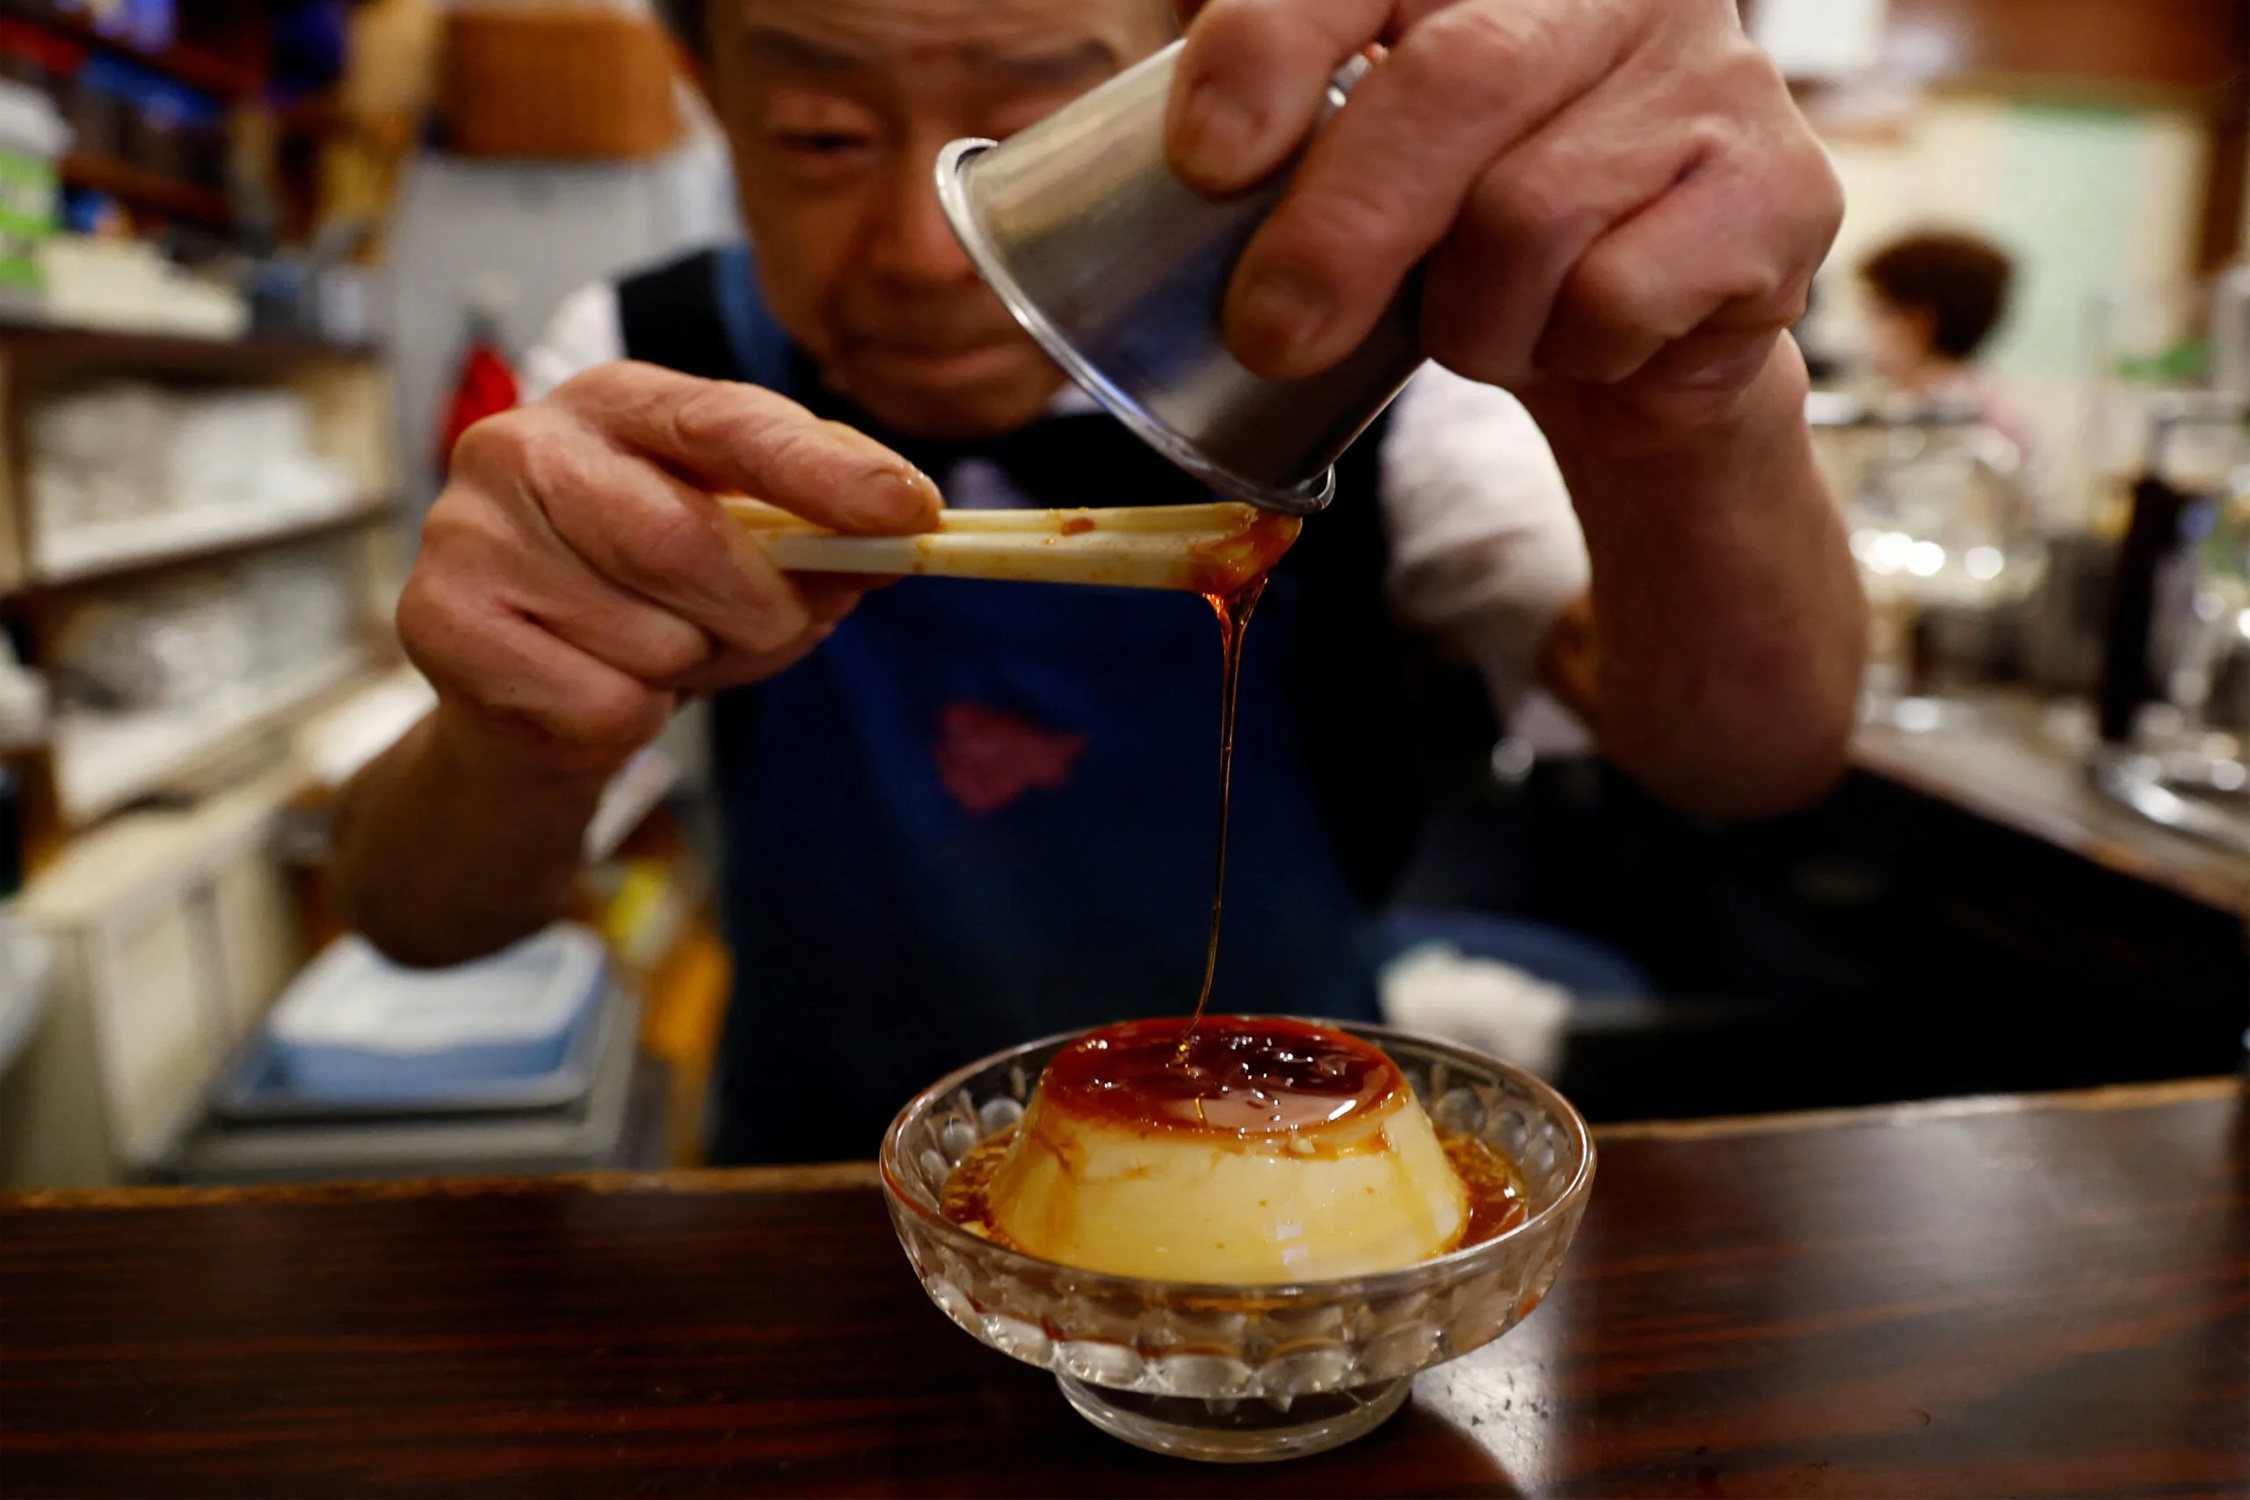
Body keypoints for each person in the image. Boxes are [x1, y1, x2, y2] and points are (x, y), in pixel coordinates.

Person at [336, 0, 1867, 1163]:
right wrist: (519, 719)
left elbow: (1745, 755)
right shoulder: (640, 355)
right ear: (704, 95)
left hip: (1294, 1195)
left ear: (1210, 82)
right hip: (822, 1190)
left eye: (1042, 132)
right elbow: (420, 921)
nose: (929, 255)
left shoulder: (1366, 366)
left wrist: (1699, 412)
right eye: (818, 135)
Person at [1859, 230, 2036, 462]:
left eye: (1875, 311)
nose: (1863, 327)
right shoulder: (1991, 400)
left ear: (1916, 323)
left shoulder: (1952, 420)